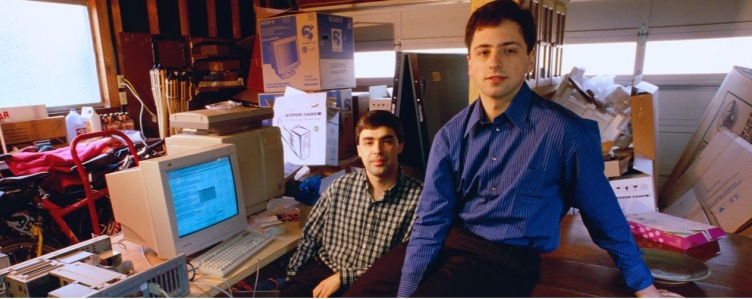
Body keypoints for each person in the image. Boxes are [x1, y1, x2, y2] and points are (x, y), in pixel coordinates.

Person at [344, 1, 682, 297]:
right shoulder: (450, 135)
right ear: (470, 63)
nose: (495, 62)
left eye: (509, 50)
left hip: (506, 259)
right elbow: (431, 221)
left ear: (528, 59)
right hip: (452, 241)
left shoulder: (566, 132)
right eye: (484, 51)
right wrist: (407, 290)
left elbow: (603, 214)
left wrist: (644, 286)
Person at [280, 110, 423, 298]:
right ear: (359, 149)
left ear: (400, 146)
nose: (377, 150)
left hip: (373, 282)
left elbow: (405, 263)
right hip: (324, 270)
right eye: (369, 142)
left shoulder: (420, 200)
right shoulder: (340, 186)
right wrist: (293, 279)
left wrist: (344, 277)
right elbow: (310, 239)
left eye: (386, 141)